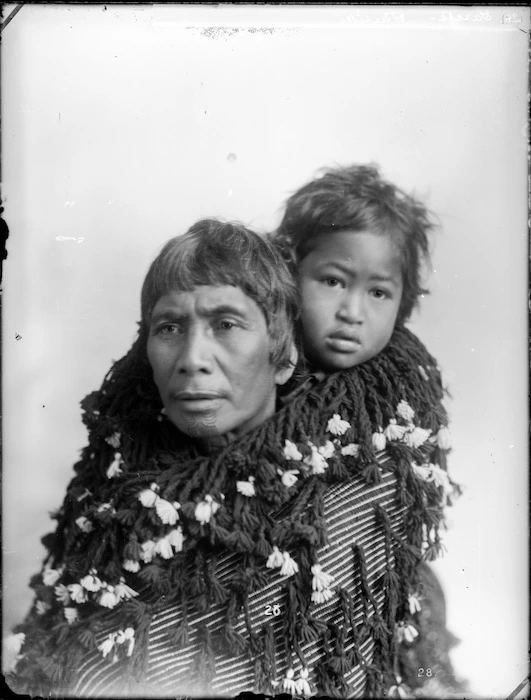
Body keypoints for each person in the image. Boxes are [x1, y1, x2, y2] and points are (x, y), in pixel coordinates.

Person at [7, 218, 454, 699]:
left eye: (226, 324)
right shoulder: (110, 509)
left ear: (283, 358)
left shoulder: (352, 513)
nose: (192, 357)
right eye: (170, 327)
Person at [270, 163, 466, 696]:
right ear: (291, 272)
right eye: (332, 281)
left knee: (420, 628)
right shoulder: (263, 373)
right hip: (281, 584)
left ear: (404, 302)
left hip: (378, 585)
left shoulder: (402, 389)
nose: (352, 311)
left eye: (378, 293)